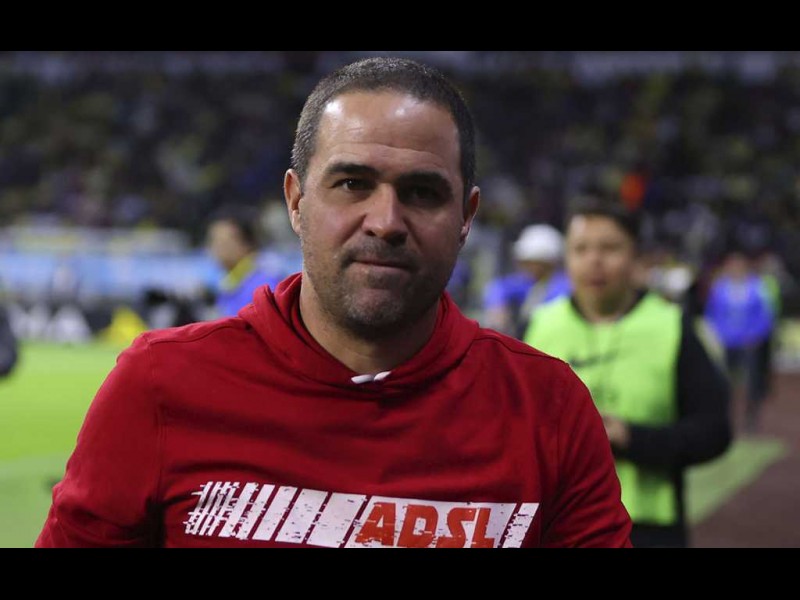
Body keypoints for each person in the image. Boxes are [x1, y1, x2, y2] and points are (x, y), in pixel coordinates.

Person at [37, 57, 631, 548]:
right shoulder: (158, 385)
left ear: (466, 217)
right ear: (296, 202)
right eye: (352, 184)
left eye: (423, 192)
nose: (386, 221)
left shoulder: (549, 408)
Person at [524, 201, 732, 548]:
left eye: (610, 248)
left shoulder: (672, 327)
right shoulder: (537, 326)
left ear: (636, 258)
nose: (594, 260)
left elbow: (714, 432)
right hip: (552, 522)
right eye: (581, 249)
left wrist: (631, 438)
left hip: (647, 527)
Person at [704, 249, 775, 433]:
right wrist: (716, 335)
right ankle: (726, 417)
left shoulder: (758, 287)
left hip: (749, 343)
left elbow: (766, 315)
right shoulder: (719, 288)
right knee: (724, 383)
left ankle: (751, 418)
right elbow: (711, 314)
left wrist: (756, 335)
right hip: (726, 343)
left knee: (752, 382)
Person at [482, 224, 571, 338]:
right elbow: (498, 287)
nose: (524, 266)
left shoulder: (563, 287)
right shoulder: (528, 281)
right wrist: (498, 307)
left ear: (547, 262)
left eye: (530, 261)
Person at [205, 206, 282, 317]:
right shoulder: (230, 283)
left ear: (247, 243)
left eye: (223, 242)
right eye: (213, 241)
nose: (216, 248)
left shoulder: (264, 286)